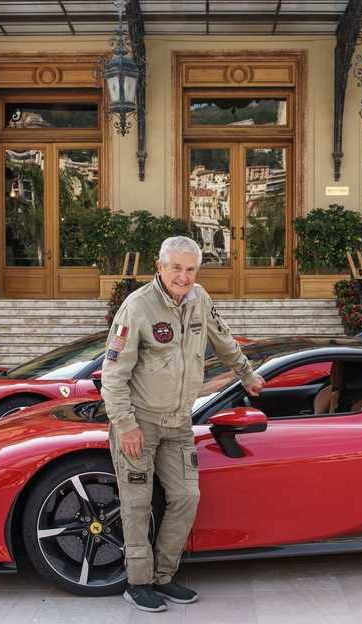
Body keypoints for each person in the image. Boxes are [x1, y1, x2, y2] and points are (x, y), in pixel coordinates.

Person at [102, 235, 264, 613]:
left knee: (187, 497)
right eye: (176, 268)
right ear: (160, 268)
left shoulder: (200, 299)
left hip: (178, 421)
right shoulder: (137, 307)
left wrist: (247, 374)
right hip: (139, 421)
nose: (184, 276)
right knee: (137, 503)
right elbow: (113, 373)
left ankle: (163, 576)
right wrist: (125, 425)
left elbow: (222, 340)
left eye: (191, 269)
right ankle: (138, 582)